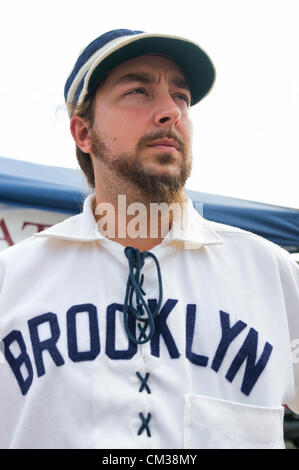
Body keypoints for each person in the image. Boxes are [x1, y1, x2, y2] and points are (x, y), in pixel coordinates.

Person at [0, 28, 298, 450]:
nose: (170, 112)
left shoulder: (270, 272)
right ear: (83, 133)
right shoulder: (12, 279)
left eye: (181, 97)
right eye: (138, 91)